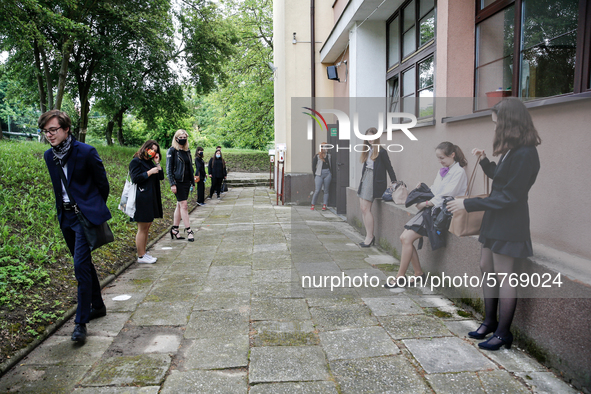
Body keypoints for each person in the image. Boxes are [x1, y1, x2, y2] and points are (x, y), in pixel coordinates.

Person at [448, 98, 541, 351]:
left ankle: (503, 333)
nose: (495, 128)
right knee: (485, 267)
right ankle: (489, 322)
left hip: (510, 222)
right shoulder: (514, 149)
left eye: (497, 123)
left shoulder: (526, 152)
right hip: (495, 219)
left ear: (509, 123)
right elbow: (502, 181)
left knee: (504, 275)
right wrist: (486, 161)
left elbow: (511, 196)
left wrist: (468, 205)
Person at [42, 109, 110, 343]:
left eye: (53, 130)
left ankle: (80, 323)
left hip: (84, 217)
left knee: (79, 266)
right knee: (83, 263)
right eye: (45, 131)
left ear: (66, 128)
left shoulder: (86, 152)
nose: (49, 135)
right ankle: (98, 306)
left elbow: (103, 185)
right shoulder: (49, 157)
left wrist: (91, 209)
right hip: (66, 218)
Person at [385, 142, 468, 288]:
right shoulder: (443, 170)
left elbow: (447, 195)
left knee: (405, 238)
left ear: (452, 155)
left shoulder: (459, 172)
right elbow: (436, 190)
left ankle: (401, 277)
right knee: (405, 238)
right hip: (433, 209)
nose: (440, 161)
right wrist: (423, 191)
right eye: (438, 158)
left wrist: (426, 203)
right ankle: (418, 274)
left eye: (442, 158)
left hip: (443, 212)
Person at [357, 127, 397, 247]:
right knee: (362, 208)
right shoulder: (367, 150)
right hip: (365, 178)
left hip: (374, 180)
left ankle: (370, 236)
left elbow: (389, 167)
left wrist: (394, 181)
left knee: (365, 209)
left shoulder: (382, 152)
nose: (370, 140)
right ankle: (368, 235)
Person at [129, 140, 164, 263]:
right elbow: (135, 178)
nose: (153, 152)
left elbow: (161, 176)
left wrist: (157, 163)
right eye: (151, 149)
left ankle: (143, 252)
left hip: (151, 197)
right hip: (141, 198)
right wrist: (149, 172)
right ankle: (141, 255)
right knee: (142, 228)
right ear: (145, 148)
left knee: (147, 226)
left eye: (155, 150)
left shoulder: (150, 163)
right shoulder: (136, 162)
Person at [166, 129, 195, 242]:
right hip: (178, 182)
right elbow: (169, 169)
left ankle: (175, 229)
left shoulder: (187, 151)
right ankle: (189, 231)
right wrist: (172, 183)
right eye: (181, 137)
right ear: (176, 138)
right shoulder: (172, 151)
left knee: (179, 205)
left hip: (187, 181)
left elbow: (190, 168)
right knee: (184, 205)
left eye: (184, 137)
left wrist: (192, 181)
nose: (183, 139)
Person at [311, 142, 332, 211]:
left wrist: (331, 173)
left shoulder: (328, 156)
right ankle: (313, 204)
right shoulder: (317, 156)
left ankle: (324, 205)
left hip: (327, 173)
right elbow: (313, 166)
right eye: (326, 147)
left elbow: (330, 165)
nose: (327, 149)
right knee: (317, 190)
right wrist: (315, 175)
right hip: (319, 174)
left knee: (326, 190)